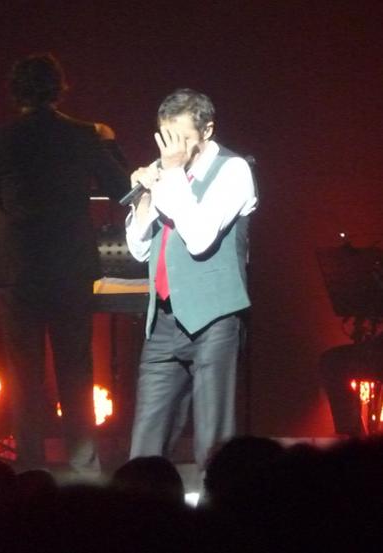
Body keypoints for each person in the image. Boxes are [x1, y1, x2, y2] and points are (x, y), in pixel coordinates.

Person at [0, 53, 129, 472]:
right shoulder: (84, 135)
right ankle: (84, 468)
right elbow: (121, 188)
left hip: (18, 271)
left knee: (24, 374)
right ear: (59, 88)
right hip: (70, 267)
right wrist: (109, 143)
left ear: (15, 92)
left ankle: (30, 469)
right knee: (76, 369)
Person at [125, 88, 257, 472]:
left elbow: (200, 239)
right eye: (167, 138)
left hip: (214, 318)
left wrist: (171, 177)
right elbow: (139, 250)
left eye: (182, 138)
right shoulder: (166, 172)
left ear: (207, 131)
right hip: (164, 320)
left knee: (213, 442)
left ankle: (219, 504)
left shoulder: (233, 170)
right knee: (146, 442)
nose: (173, 149)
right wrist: (144, 197)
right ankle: (142, 502)